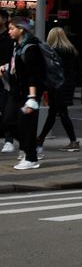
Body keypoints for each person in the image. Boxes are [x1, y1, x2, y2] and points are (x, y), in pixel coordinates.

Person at [3, 18, 46, 169]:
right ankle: (31, 146)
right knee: (7, 121)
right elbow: (18, 67)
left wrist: (33, 97)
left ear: (21, 29)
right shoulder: (17, 45)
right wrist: (6, 68)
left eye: (12, 28)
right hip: (16, 91)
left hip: (28, 94)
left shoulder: (31, 47)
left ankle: (31, 158)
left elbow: (33, 74)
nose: (9, 31)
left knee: (26, 125)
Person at [37, 27, 81, 152]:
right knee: (57, 111)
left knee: (60, 112)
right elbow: (78, 69)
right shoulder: (72, 50)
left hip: (57, 84)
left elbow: (49, 69)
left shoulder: (52, 51)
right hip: (68, 85)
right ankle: (41, 138)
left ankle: (73, 141)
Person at [0, 10, 14, 155]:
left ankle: (9, 140)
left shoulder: (9, 38)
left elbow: (12, 58)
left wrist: (5, 68)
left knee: (6, 110)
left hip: (5, 78)